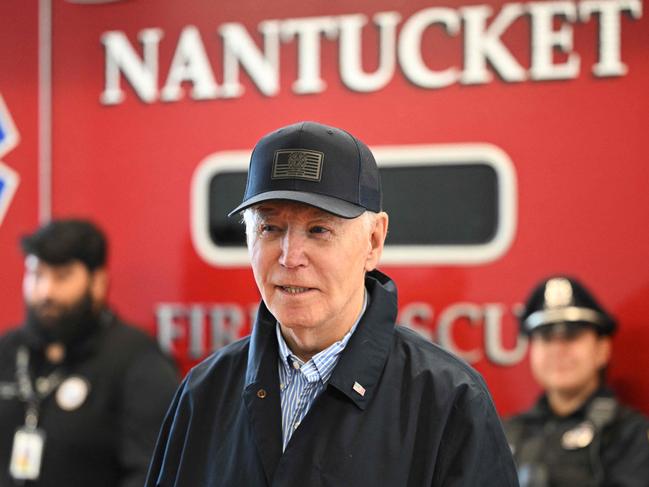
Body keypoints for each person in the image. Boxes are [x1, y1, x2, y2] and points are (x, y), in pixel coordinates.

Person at [145, 121, 518, 486]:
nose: (291, 257)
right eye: (270, 228)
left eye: (319, 230)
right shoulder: (203, 393)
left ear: (373, 241)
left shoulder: (449, 401)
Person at [0, 219, 179, 487]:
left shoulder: (138, 360)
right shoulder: (8, 350)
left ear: (98, 282)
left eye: (62, 277)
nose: (45, 292)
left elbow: (155, 473)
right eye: (36, 274)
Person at [504, 275, 649, 487]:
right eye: (545, 338)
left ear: (602, 349)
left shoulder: (632, 435)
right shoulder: (507, 432)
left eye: (571, 336)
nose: (557, 350)